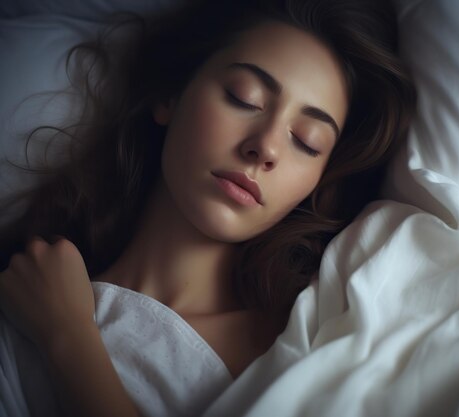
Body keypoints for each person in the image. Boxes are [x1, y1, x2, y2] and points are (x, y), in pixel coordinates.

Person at [0, 0, 416, 415]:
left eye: (307, 141)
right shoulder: (27, 290)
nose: (266, 147)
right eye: (244, 98)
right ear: (171, 94)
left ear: (315, 183)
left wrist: (69, 337)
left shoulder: (297, 347)